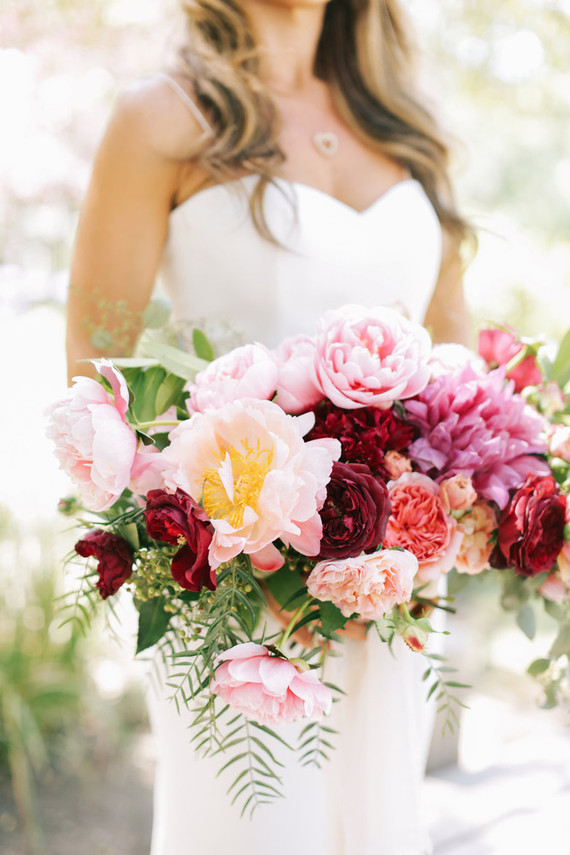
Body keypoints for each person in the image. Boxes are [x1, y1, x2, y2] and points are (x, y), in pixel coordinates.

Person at [66, 1, 473, 852]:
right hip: (235, 605)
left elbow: (454, 376)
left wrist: (425, 539)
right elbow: (96, 382)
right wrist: (257, 557)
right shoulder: (162, 119)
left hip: (391, 590)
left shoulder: (405, 128)